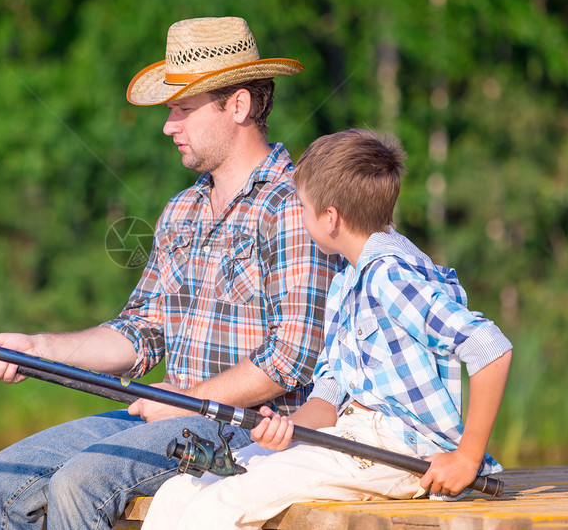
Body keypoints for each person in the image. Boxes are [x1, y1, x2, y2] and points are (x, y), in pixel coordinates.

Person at [0, 17, 342, 529]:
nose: (169, 126)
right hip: (168, 415)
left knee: (81, 481)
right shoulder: (180, 211)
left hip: (249, 428)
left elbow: (291, 359)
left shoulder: (294, 207)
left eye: (182, 110)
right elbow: (141, 332)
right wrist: (38, 349)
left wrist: (184, 401)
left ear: (238, 105)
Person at [141, 129, 514, 530]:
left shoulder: (390, 276)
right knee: (185, 488)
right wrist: (287, 430)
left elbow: (489, 347)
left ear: (330, 218)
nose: (298, 216)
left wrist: (466, 458)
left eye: (301, 206)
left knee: (217, 507)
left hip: (396, 452)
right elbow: (331, 393)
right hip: (349, 436)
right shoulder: (345, 282)